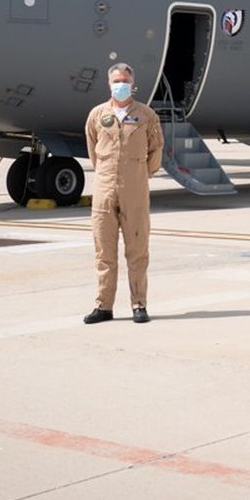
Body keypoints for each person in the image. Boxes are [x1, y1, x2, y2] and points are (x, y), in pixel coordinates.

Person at [82, 62, 163, 324]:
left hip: (135, 191)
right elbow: (93, 150)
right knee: (104, 252)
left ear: (133, 84)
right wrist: (109, 173)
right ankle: (103, 306)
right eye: (116, 81)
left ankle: (139, 304)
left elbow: (156, 151)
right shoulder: (97, 115)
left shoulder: (146, 115)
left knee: (137, 250)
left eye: (125, 81)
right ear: (109, 84)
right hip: (104, 189)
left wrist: (138, 174)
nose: (120, 85)